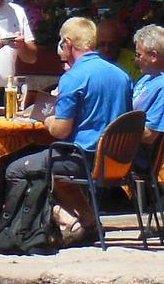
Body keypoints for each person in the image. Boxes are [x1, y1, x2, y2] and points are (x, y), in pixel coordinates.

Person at [15, 15, 134, 171]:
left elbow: (61, 130)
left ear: (67, 43)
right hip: (116, 161)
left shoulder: (73, 77)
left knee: (15, 170)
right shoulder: (122, 75)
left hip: (81, 158)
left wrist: (48, 120)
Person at [132, 24, 164, 162]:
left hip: (137, 158)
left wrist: (111, 131)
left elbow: (149, 134)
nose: (136, 60)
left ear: (154, 56)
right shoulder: (147, 77)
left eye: (139, 55)